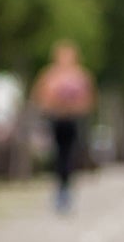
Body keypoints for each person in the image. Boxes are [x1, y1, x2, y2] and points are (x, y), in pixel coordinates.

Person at [32, 41, 95, 212]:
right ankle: (59, 189)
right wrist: (54, 104)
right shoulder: (50, 76)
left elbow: (88, 100)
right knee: (57, 155)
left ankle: (66, 189)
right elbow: (40, 97)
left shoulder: (80, 76)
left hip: (73, 121)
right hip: (56, 120)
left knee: (70, 155)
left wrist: (74, 107)